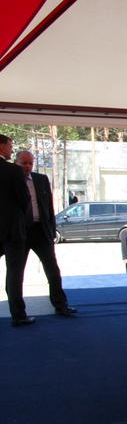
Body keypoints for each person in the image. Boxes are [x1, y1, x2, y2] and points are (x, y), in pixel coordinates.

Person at [7, 150, 78, 320]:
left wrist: (51, 230)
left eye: (30, 163)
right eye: (23, 163)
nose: (27, 166)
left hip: (41, 231)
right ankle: (18, 314)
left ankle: (61, 305)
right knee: (16, 273)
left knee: (53, 270)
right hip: (19, 232)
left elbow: (49, 208)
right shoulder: (10, 180)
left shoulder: (41, 179)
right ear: (16, 163)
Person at [0, 135, 32, 327]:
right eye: (10, 146)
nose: (11, 150)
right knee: (14, 273)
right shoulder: (13, 170)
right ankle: (18, 315)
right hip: (12, 229)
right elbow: (24, 199)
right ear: (1, 146)